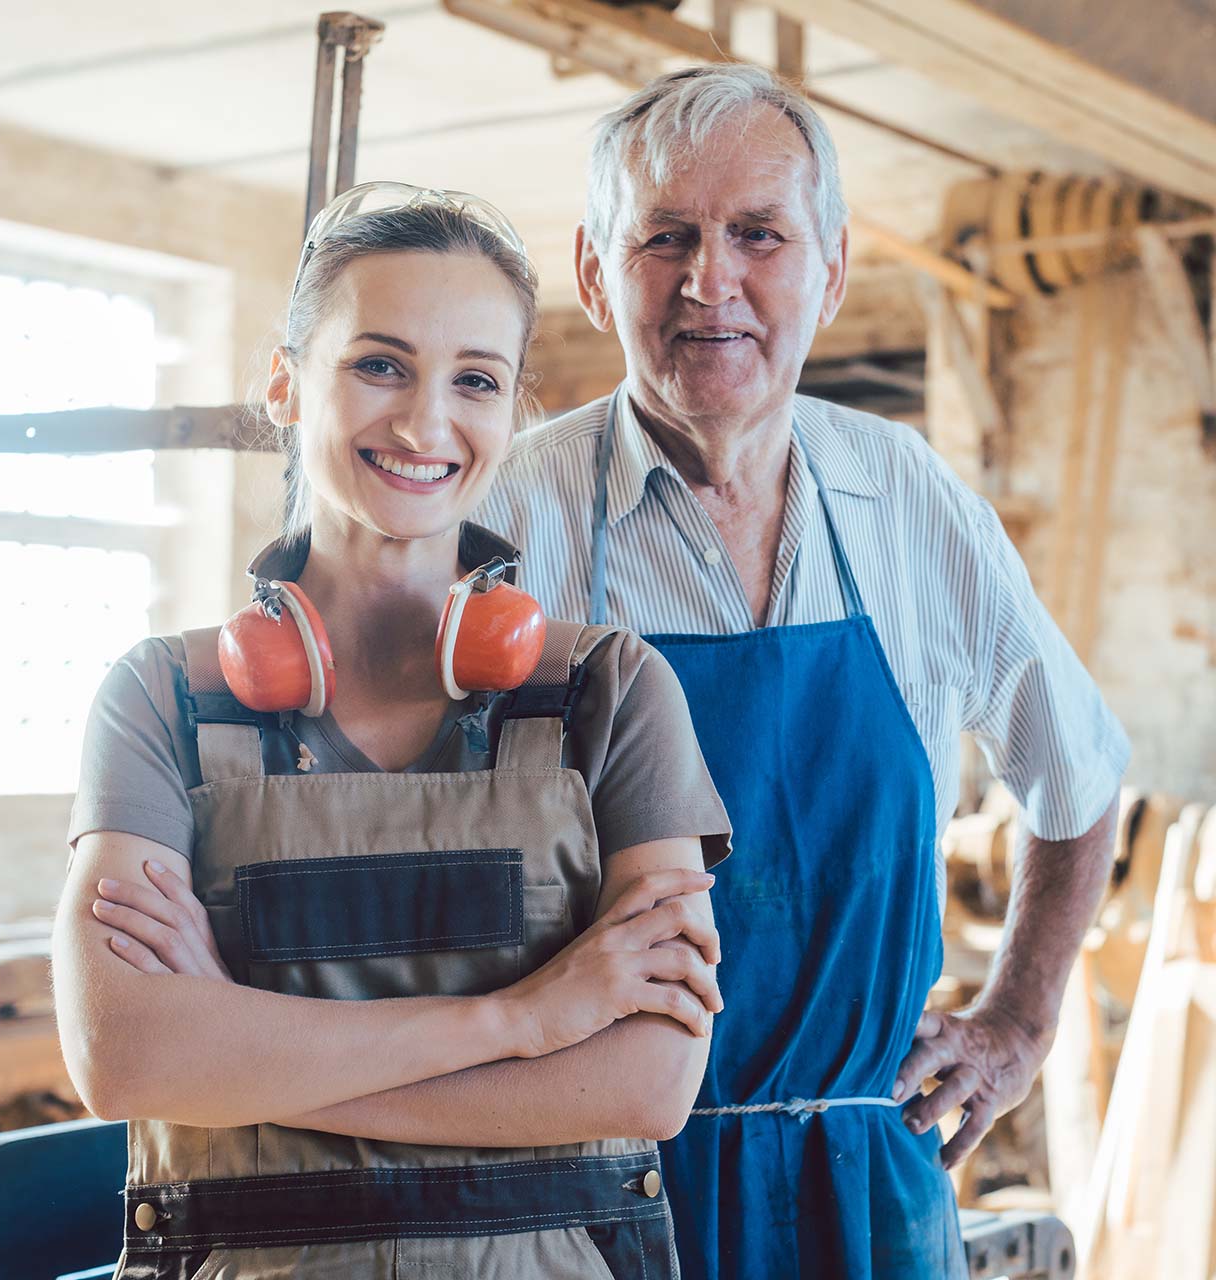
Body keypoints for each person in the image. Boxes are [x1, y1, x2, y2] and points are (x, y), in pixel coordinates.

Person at [474, 65, 1130, 1279]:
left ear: (828, 269)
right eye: (662, 235)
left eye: (756, 235)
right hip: (588, 1194)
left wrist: (1018, 1023)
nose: (706, 279)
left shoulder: (912, 501)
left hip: (864, 1196)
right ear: (590, 271)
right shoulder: (504, 519)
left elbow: (1076, 775)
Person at [52, 183, 732, 1280]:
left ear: (514, 408)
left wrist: (238, 1042)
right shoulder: (159, 700)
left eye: (474, 379)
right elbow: (124, 1056)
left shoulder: (610, 691)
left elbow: (646, 1082)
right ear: (284, 383)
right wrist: (524, 1018)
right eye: (378, 364)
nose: (424, 423)